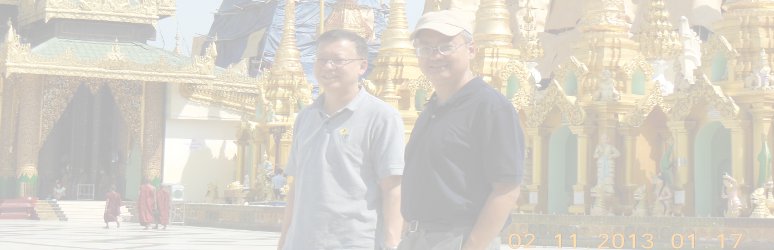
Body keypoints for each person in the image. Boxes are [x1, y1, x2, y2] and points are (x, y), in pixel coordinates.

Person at [400, 10, 525, 250]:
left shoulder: (490, 107)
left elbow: (507, 188)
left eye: (445, 47)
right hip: (418, 237)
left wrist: (473, 245)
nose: (435, 56)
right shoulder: (432, 109)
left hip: (458, 238)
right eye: (425, 49)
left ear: (471, 49)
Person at [277, 29, 405, 250]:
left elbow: (392, 189)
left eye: (338, 60)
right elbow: (297, 186)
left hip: (355, 242)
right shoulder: (305, 118)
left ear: (362, 66)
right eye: (322, 60)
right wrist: (284, 240)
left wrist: (392, 244)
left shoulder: (382, 117)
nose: (328, 67)